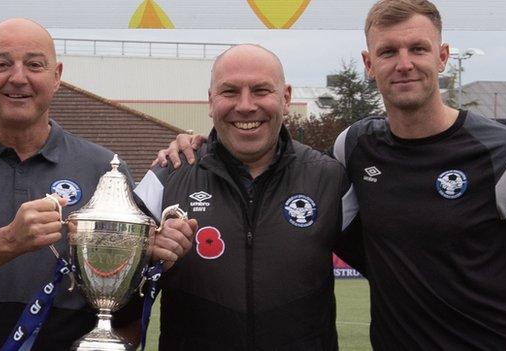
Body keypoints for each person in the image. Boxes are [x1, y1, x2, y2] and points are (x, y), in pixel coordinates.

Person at [157, 1, 506, 350]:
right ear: (369, 62)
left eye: (419, 49)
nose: (404, 63)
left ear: (442, 57)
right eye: (388, 51)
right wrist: (199, 145)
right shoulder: (353, 148)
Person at [0, 18, 195, 350]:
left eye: (34, 65)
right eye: (2, 64)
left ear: (57, 75)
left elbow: (126, 317)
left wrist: (155, 255)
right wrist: (9, 240)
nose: (18, 77)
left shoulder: (105, 169)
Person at [134, 44, 361, 350]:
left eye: (260, 90)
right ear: (211, 100)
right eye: (229, 92)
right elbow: (115, 300)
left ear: (286, 97)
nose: (245, 105)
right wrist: (145, 258)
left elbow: (396, 270)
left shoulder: (330, 180)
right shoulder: (165, 180)